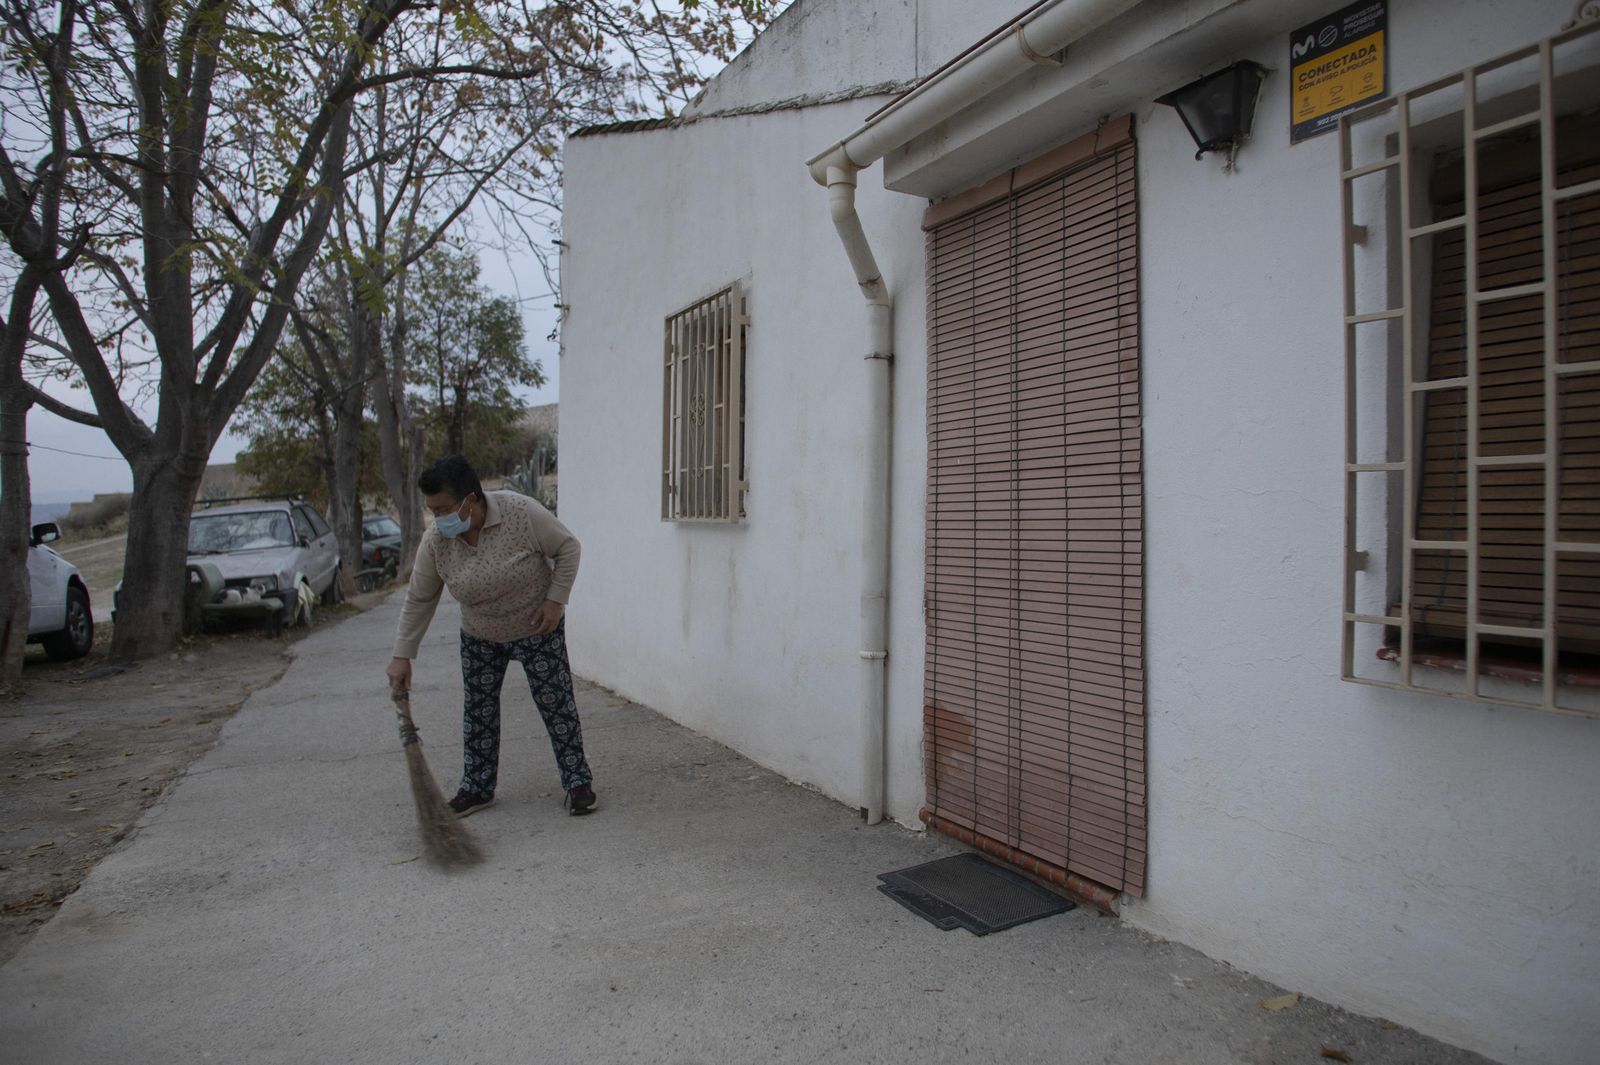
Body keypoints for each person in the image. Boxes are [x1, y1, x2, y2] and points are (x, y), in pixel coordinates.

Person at [385, 455, 596, 817]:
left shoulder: (521, 512)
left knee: (556, 703)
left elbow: (568, 549)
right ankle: (478, 788)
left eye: (444, 508)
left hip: (536, 627)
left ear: (471, 498)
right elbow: (420, 598)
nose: (438, 519)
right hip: (480, 635)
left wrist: (555, 601)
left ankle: (578, 783)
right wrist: (402, 654)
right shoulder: (437, 540)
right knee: (478, 713)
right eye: (432, 510)